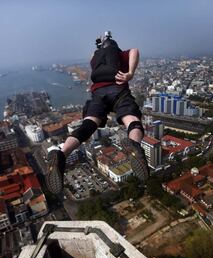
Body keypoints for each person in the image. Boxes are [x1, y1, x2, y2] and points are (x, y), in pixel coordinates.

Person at [46, 31, 149, 194]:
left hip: (98, 93)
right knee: (132, 119)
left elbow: (93, 63)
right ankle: (134, 145)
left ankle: (61, 154)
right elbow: (135, 50)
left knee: (87, 126)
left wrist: (100, 47)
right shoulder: (119, 54)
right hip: (118, 89)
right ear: (115, 46)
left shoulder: (94, 59)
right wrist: (130, 73)